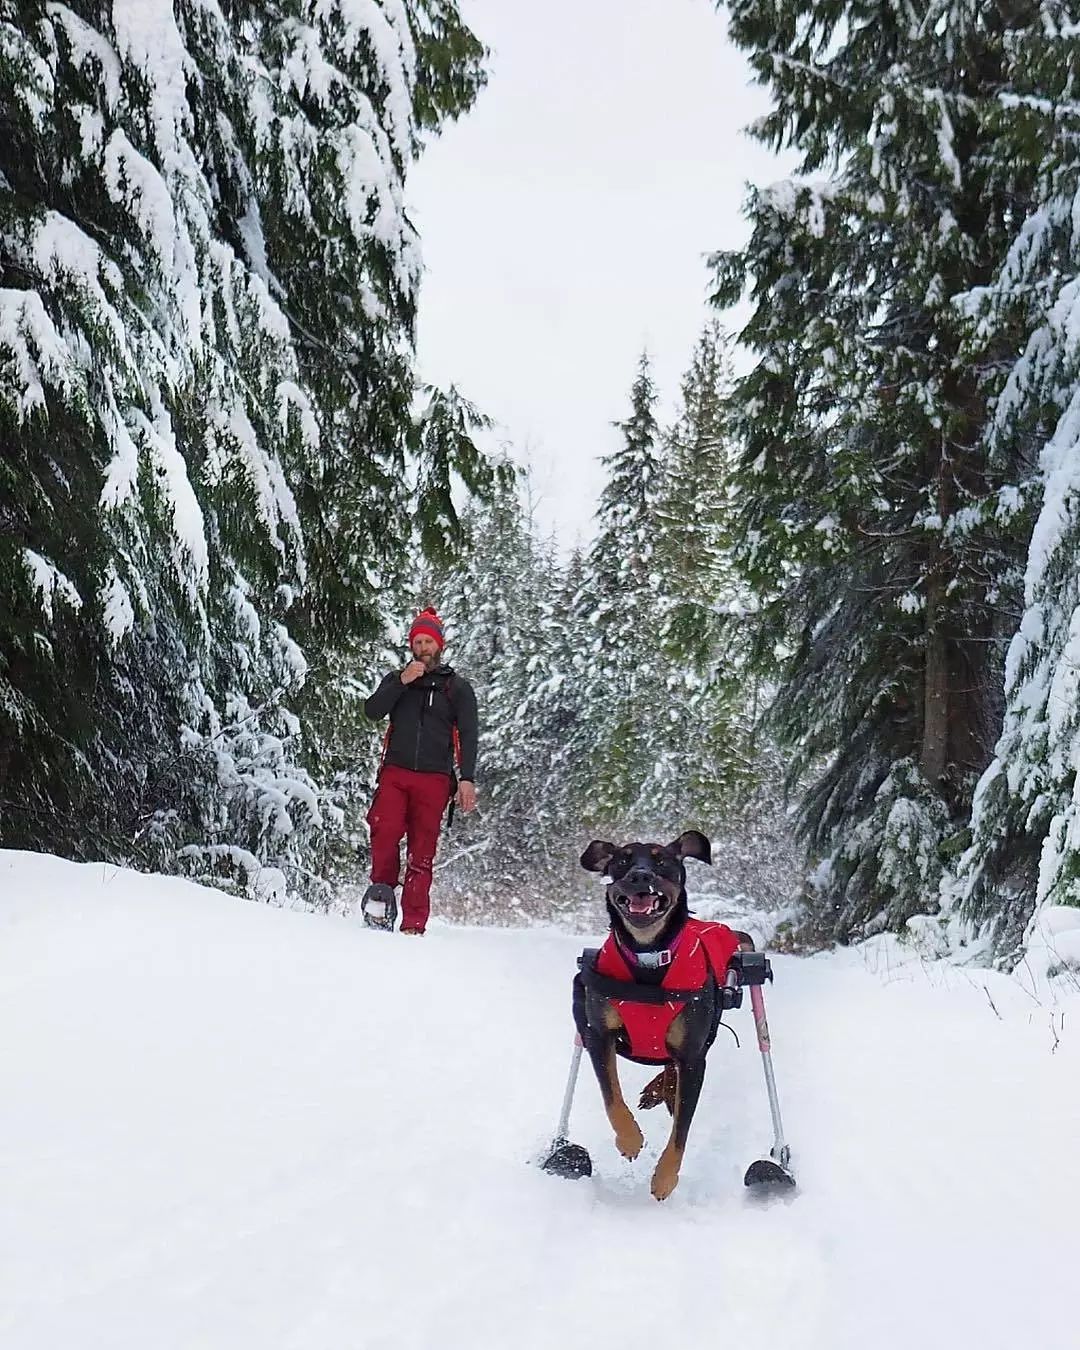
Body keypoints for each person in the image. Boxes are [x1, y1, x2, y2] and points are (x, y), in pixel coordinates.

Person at [360, 607, 478, 935]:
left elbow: (469, 734)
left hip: (435, 779)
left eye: (428, 642)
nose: (423, 648)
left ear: (439, 646)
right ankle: (381, 901)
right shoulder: (398, 680)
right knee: (384, 830)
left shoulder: (456, 687)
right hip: (395, 773)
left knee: (422, 848)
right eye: (418, 641)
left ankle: (414, 922)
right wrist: (401, 682)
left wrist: (466, 778)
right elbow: (372, 710)